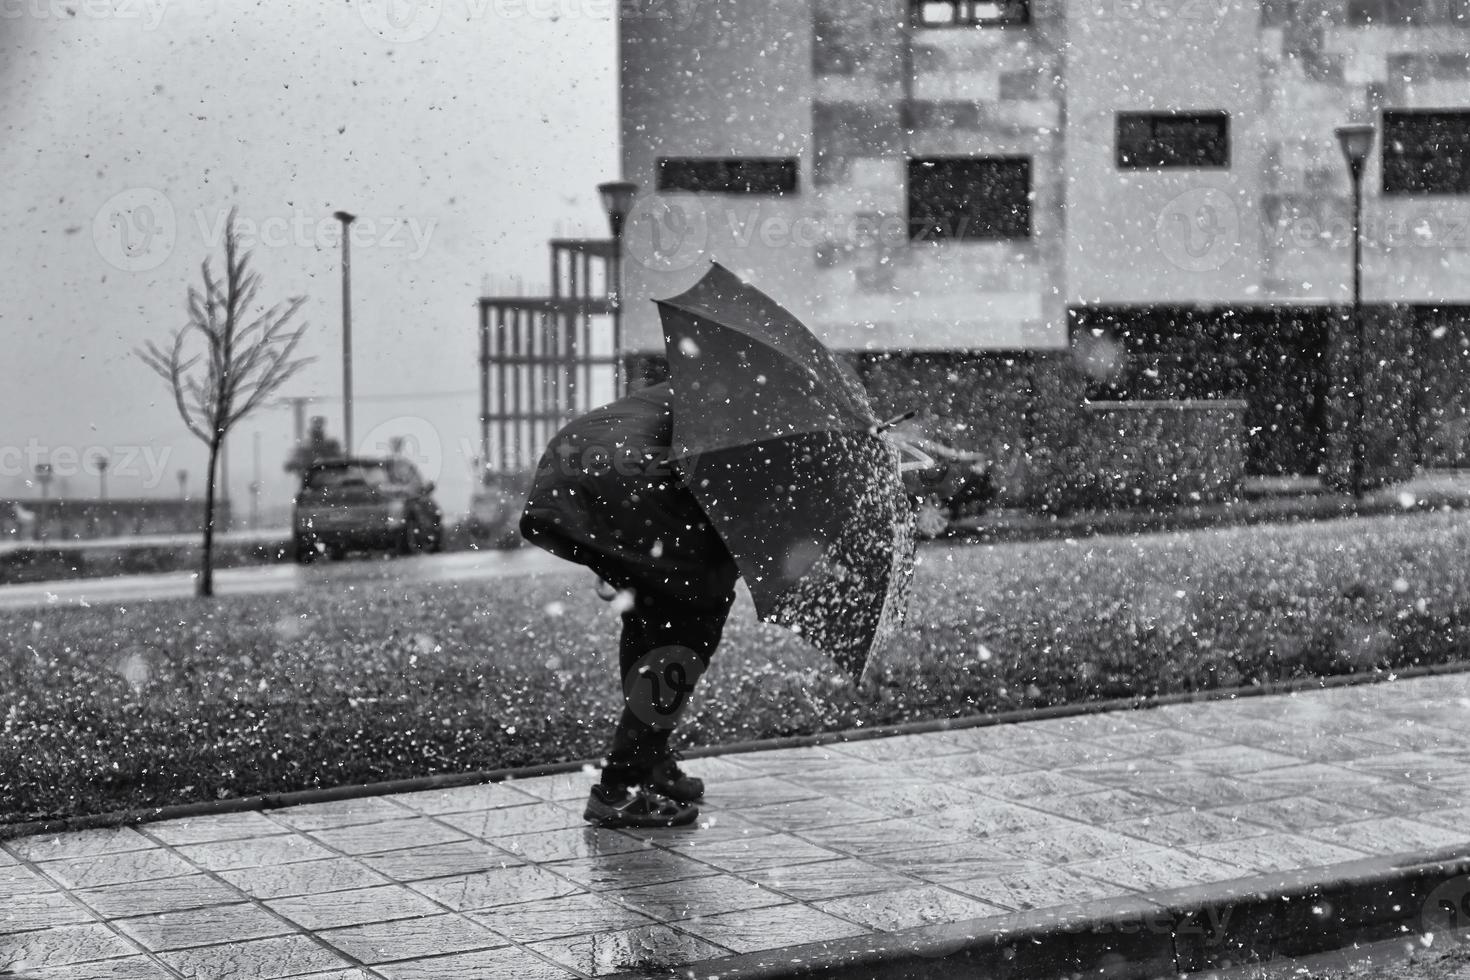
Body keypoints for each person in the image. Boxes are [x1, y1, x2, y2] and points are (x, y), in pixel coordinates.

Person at [520, 382, 738, 828]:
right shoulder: (762, 423)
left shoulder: (719, 384)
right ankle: (621, 786)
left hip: (579, 461)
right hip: (634, 479)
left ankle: (650, 761)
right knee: (689, 623)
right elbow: (727, 528)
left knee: (655, 615)